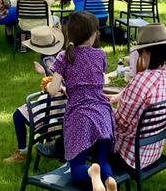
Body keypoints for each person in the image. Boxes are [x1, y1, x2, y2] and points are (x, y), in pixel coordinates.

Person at [47, 12, 116, 191]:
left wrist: (50, 87)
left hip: (80, 118)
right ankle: (108, 180)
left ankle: (91, 174)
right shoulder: (100, 54)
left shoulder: (64, 56)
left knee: (77, 168)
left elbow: (54, 90)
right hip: (103, 115)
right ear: (93, 34)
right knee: (101, 161)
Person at [109, 24, 166, 174]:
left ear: (148, 53)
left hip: (129, 157)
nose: (141, 58)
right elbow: (145, 95)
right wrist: (120, 96)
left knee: (89, 127)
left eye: (141, 53)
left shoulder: (142, 81)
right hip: (153, 151)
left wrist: (105, 108)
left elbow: (120, 123)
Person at [5, 26, 66, 164]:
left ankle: (23, 152)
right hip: (63, 101)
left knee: (18, 115)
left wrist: (43, 73)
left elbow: (56, 86)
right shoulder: (61, 54)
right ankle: (49, 142)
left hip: (57, 103)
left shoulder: (51, 59)